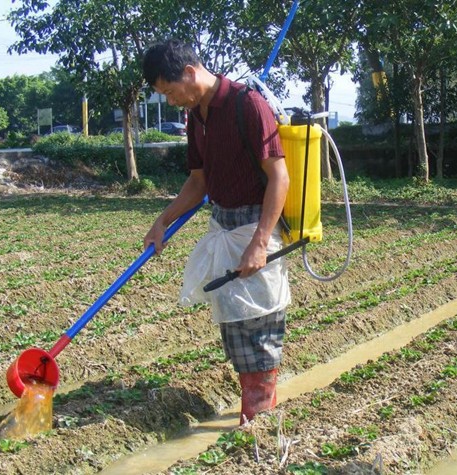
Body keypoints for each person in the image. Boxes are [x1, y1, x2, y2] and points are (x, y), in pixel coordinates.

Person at [142, 39, 290, 424]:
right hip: (223, 225)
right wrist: (163, 219)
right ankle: (253, 405)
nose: (171, 102)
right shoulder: (197, 117)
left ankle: (259, 415)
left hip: (256, 226)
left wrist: (259, 244)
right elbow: (198, 184)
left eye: (170, 91)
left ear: (190, 73)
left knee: (260, 325)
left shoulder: (248, 104)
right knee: (233, 325)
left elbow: (280, 177)